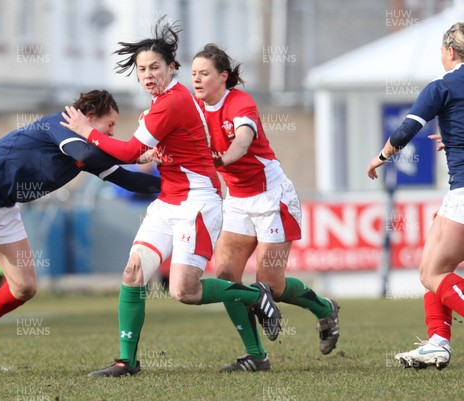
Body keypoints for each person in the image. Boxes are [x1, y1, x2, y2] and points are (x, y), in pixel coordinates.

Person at [61, 18, 281, 377]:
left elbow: (131, 151)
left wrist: (89, 133)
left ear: (171, 68)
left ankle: (256, 297)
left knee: (184, 290)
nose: (148, 75)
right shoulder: (159, 104)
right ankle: (126, 361)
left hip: (197, 202)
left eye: (155, 68)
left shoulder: (172, 101)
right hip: (169, 201)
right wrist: (150, 156)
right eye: (141, 69)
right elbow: (145, 154)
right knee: (133, 272)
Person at [0, 90, 162, 377]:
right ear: (90, 117)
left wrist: (179, 181)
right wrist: (132, 152)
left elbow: (129, 180)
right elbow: (84, 152)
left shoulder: (90, 148)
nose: (111, 131)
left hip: (4, 208)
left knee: (24, 288)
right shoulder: (60, 125)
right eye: (109, 124)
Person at [191, 44, 340, 372]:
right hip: (238, 200)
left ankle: (325, 309)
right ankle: (256, 356)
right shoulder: (193, 109)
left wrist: (225, 158)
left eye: (204, 74)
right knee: (228, 278)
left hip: (272, 197)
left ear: (223, 77)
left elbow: (242, 140)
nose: (197, 80)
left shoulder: (240, 102)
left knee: (270, 284)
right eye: (193, 74)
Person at [367, 22, 464, 370]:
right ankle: (438, 341)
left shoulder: (443, 85)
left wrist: (380, 157)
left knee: (432, 273)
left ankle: (439, 340)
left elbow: (408, 128)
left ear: (449, 52)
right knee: (437, 269)